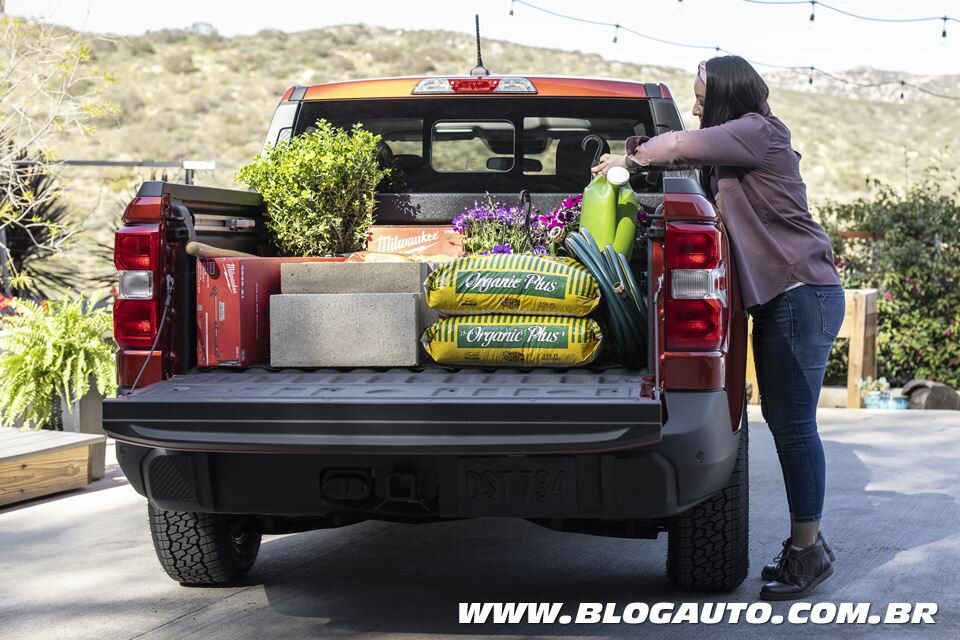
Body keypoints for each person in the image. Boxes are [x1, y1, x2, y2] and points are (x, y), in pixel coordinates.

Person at [593, 55, 844, 601]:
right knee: (784, 419)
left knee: (795, 425)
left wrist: (628, 156)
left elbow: (679, 144)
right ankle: (808, 545)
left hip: (803, 294)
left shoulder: (758, 131)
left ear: (729, 91)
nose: (697, 103)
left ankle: (809, 550)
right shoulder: (737, 146)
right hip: (784, 299)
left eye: (703, 94)